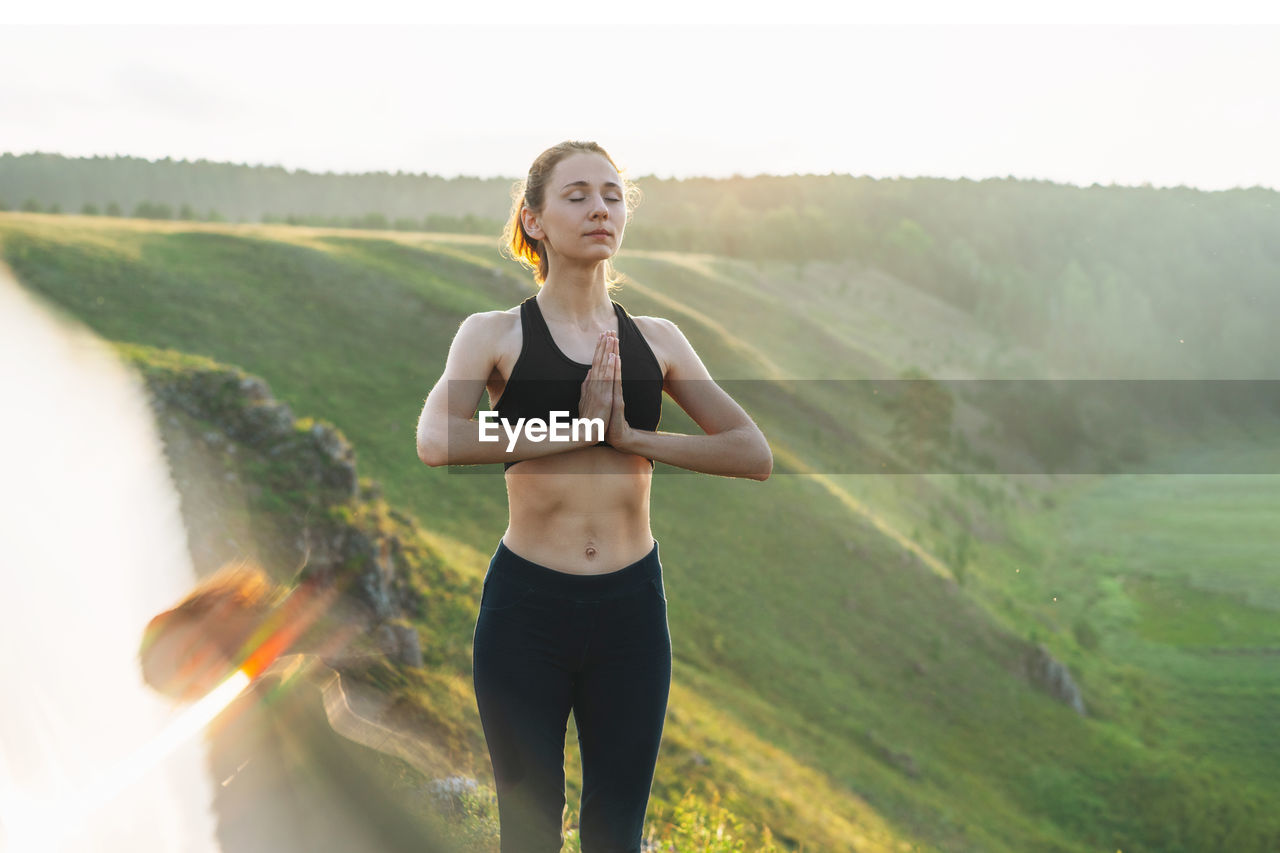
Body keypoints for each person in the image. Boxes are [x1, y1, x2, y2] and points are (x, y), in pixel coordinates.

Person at [415, 140, 772, 852]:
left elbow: (751, 451)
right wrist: (576, 425)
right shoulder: (492, 334)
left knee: (616, 835)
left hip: (630, 614)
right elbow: (437, 439)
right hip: (526, 612)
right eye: (576, 195)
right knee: (529, 832)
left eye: (612, 194)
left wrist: (634, 436)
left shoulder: (660, 340)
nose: (599, 207)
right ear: (535, 220)